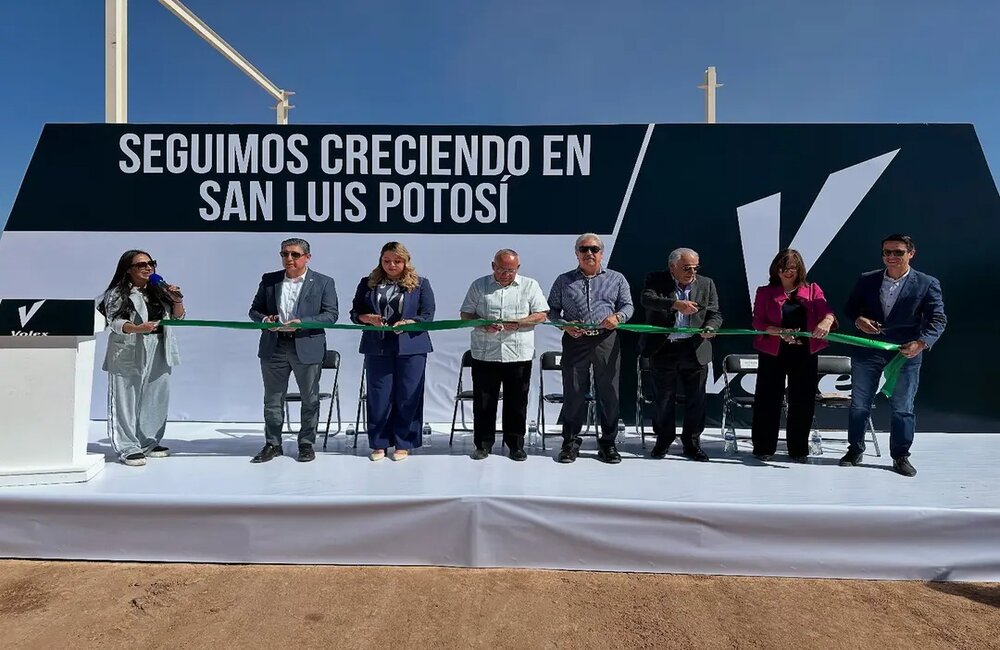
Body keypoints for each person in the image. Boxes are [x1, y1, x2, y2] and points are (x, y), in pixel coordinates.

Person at [841, 234, 946, 477]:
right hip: (868, 350)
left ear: (911, 253)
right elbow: (850, 308)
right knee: (859, 404)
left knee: (903, 406)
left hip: (905, 353)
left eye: (898, 252)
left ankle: (900, 456)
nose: (891, 257)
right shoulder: (867, 279)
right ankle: (855, 450)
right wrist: (859, 320)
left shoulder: (927, 283)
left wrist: (921, 343)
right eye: (886, 252)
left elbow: (938, 319)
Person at [248, 238, 339, 464]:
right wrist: (265, 319)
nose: (289, 258)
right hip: (274, 345)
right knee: (272, 399)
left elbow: (331, 315)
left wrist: (304, 323)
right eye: (284, 254)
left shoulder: (323, 282)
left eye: (295, 254)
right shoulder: (269, 280)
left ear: (307, 257)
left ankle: (306, 443)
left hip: (307, 345)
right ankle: (273, 444)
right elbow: (254, 310)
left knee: (310, 398)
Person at [547, 233, 634, 464]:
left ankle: (608, 443)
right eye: (584, 249)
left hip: (606, 340)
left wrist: (618, 317)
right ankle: (570, 442)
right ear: (576, 253)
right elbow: (552, 310)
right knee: (574, 392)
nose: (589, 253)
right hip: (575, 341)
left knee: (609, 393)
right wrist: (564, 325)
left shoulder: (616, 278)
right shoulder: (564, 280)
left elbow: (628, 305)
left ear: (601, 253)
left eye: (594, 249)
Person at [459, 249, 549, 461]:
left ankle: (516, 445)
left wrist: (520, 322)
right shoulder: (479, 285)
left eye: (511, 270)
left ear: (518, 268)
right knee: (484, 402)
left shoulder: (530, 285)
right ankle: (483, 445)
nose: (506, 274)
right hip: (485, 353)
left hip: (518, 353)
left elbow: (541, 315)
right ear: (493, 266)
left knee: (517, 402)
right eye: (501, 269)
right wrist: (483, 325)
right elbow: (465, 314)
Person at [351, 242, 436, 462]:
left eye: (397, 261)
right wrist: (366, 318)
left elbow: (427, 315)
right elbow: (355, 313)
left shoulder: (421, 284)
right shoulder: (368, 283)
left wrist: (410, 322)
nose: (392, 265)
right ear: (380, 260)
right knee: (379, 395)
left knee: (408, 395)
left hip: (411, 347)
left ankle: (403, 442)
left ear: (406, 262)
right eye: (387, 261)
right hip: (377, 346)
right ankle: (379, 443)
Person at [99, 250, 185, 466]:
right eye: (141, 264)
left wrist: (176, 299)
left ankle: (148, 441)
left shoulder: (159, 289)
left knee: (155, 396)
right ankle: (127, 447)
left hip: (159, 346)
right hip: (130, 346)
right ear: (128, 269)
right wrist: (137, 328)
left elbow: (178, 317)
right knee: (126, 398)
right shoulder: (117, 293)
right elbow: (114, 322)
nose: (148, 267)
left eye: (151, 263)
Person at [750, 249, 836, 461]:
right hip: (773, 352)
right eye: (783, 268)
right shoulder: (765, 292)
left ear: (799, 269)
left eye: (792, 268)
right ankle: (763, 448)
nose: (787, 272)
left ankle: (798, 450)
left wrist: (827, 321)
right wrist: (778, 331)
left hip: (804, 353)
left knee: (802, 401)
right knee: (767, 400)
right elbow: (757, 321)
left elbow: (827, 311)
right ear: (775, 269)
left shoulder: (812, 289)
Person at [639, 247, 722, 462]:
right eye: (686, 268)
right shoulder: (656, 280)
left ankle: (692, 442)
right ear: (672, 267)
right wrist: (675, 304)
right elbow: (647, 300)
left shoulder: (706, 283)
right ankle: (664, 439)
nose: (692, 272)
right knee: (664, 398)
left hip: (694, 348)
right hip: (664, 347)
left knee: (696, 398)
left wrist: (711, 328)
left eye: (695, 268)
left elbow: (715, 314)